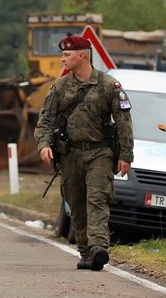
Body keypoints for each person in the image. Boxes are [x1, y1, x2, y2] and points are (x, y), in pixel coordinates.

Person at [35, 35, 133, 271]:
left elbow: (123, 122)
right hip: (70, 155)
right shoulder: (60, 87)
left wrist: (126, 155)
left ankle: (99, 246)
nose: (62, 59)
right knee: (76, 204)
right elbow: (45, 120)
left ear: (82, 55)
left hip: (100, 153)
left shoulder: (109, 85)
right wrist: (44, 145)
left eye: (66, 55)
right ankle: (86, 251)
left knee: (97, 198)